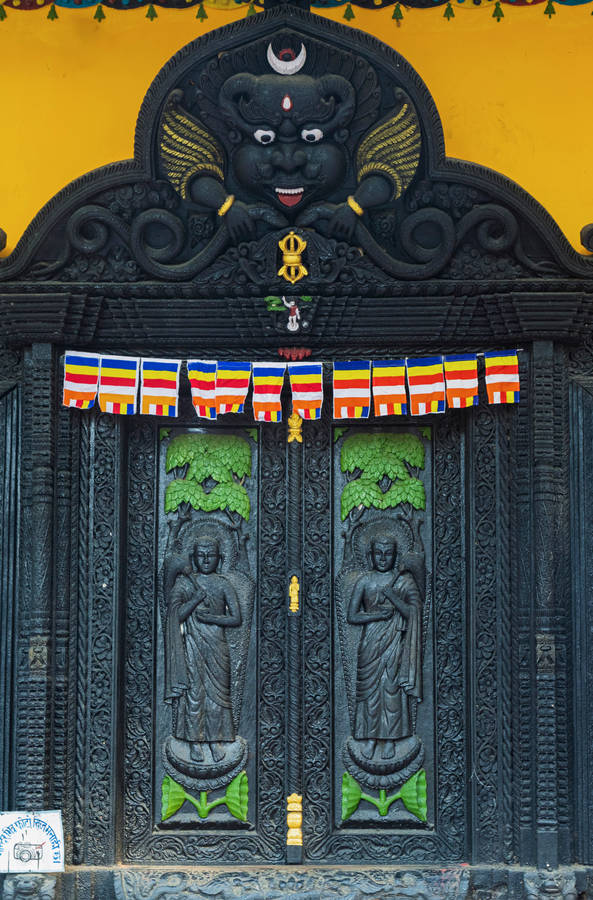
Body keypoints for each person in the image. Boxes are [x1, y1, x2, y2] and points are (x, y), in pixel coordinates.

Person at [165, 536, 241, 763]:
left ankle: (216, 740)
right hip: (192, 644)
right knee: (195, 695)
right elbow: (175, 615)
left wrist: (213, 618)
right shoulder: (185, 584)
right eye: (201, 555)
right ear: (193, 558)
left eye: (211, 555)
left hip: (217, 645)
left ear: (220, 558)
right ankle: (195, 742)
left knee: (218, 697)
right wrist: (194, 600)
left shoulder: (223, 584)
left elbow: (236, 618)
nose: (206, 560)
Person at [347, 536, 422, 761]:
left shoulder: (404, 581)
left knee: (391, 688)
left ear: (394, 556)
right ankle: (369, 737)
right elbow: (352, 615)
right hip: (370, 642)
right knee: (370, 692)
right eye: (378, 553)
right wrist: (376, 615)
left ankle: (390, 739)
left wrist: (394, 598)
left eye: (387, 554)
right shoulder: (365, 581)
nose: (382, 558)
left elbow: (413, 613)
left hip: (395, 641)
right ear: (371, 555)